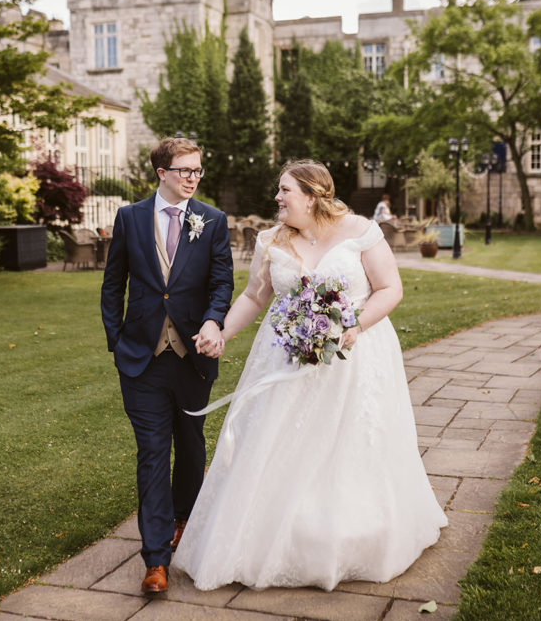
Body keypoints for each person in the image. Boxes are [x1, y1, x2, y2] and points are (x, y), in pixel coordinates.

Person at [174, 159, 446, 591]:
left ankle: (350, 533)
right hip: (284, 357)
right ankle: (272, 534)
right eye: (278, 191)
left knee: (350, 444)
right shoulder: (271, 240)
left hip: (355, 355)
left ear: (313, 195)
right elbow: (253, 296)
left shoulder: (360, 231)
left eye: (285, 191)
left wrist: (353, 325)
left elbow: (390, 288)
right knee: (278, 441)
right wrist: (221, 332)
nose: (277, 198)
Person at [100, 136, 233, 594]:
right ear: (162, 173)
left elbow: (222, 283)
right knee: (153, 454)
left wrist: (215, 322)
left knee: (191, 446)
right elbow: (112, 283)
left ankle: (183, 519)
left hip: (192, 357)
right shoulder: (130, 218)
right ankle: (155, 560)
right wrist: (117, 342)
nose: (193, 178)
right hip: (141, 360)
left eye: (198, 170)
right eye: (185, 171)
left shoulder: (212, 221)